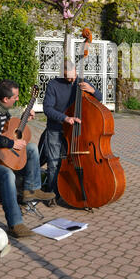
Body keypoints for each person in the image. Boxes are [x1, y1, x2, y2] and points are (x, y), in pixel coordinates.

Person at [0, 79, 55, 238]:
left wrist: (24, 119)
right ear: (5, 99)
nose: (17, 99)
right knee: (7, 175)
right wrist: (11, 143)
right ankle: (15, 224)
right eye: (15, 97)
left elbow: (7, 130)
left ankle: (31, 189)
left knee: (31, 148)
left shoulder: (2, 110)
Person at [42, 60, 102, 203]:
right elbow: (47, 109)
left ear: (76, 71)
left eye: (73, 76)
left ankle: (72, 191)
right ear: (62, 74)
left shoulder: (81, 81)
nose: (72, 80)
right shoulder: (53, 85)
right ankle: (52, 194)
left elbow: (99, 99)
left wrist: (92, 90)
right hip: (56, 129)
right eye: (68, 77)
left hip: (75, 132)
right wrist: (64, 118)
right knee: (54, 163)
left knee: (75, 162)